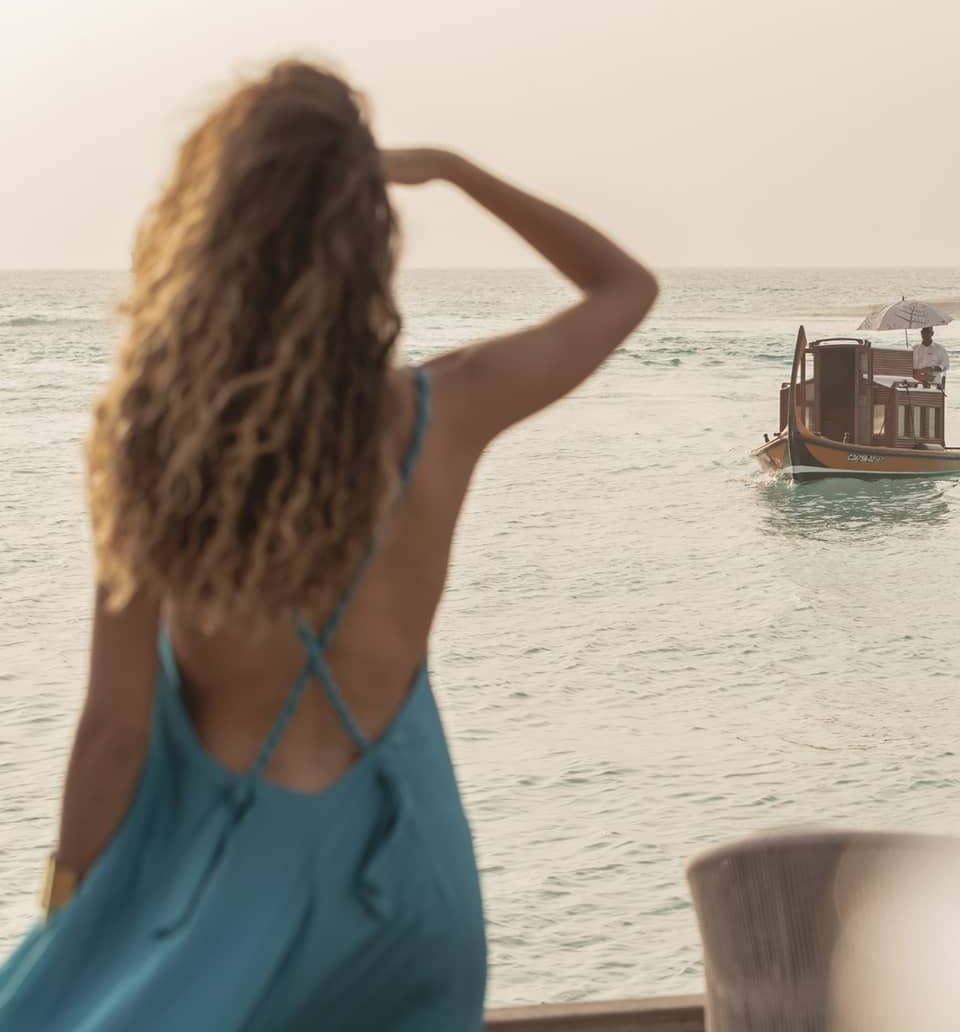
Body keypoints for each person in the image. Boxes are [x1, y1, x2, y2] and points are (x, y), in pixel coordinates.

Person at [0, 61, 658, 1031]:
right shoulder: (448, 408)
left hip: (239, 907)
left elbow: (115, 733)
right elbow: (624, 288)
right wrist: (452, 170)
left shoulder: (150, 444)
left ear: (214, 224)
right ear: (366, 234)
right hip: (415, 895)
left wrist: (70, 909)